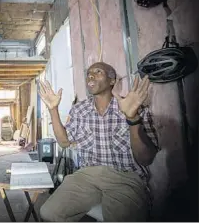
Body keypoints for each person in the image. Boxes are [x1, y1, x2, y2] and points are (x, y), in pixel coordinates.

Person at [38, 62, 159, 222]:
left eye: (98, 71)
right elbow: (64, 142)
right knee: (49, 212)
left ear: (112, 81)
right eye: (88, 73)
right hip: (87, 175)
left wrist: (132, 118)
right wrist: (53, 109)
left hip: (125, 177)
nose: (91, 75)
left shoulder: (133, 107)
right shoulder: (79, 110)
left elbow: (146, 158)